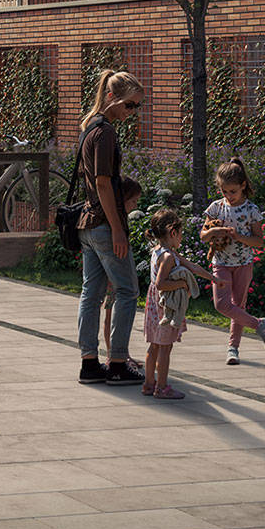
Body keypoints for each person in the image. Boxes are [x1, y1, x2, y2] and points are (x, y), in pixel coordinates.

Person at [76, 69, 147, 386]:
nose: (132, 113)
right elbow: (103, 183)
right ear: (110, 97)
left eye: (137, 107)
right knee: (128, 292)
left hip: (88, 225)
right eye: (130, 105)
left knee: (91, 294)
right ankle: (118, 363)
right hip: (104, 226)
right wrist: (119, 229)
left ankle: (89, 364)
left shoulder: (88, 127)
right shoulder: (105, 133)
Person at [200, 158, 265, 364]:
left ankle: (233, 348)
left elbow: (259, 241)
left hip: (243, 263)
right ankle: (259, 324)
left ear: (243, 185)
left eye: (233, 191)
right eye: (224, 192)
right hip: (221, 262)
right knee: (222, 304)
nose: (228, 196)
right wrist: (214, 230)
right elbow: (203, 236)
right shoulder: (215, 208)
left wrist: (240, 236)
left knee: (238, 306)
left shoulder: (252, 210)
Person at [141, 208, 212, 400]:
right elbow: (161, 283)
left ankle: (149, 383)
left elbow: (192, 266)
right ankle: (162, 387)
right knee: (165, 346)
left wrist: (212, 278)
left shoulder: (159, 250)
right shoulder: (169, 256)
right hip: (166, 306)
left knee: (154, 345)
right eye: (180, 234)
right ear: (173, 233)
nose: (181, 237)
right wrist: (182, 283)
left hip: (153, 304)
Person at [102, 176, 144, 371]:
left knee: (114, 313)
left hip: (115, 275)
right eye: (133, 201)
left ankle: (120, 354)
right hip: (113, 277)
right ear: (123, 199)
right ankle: (114, 355)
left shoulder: (120, 219)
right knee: (110, 313)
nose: (135, 206)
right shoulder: (115, 220)